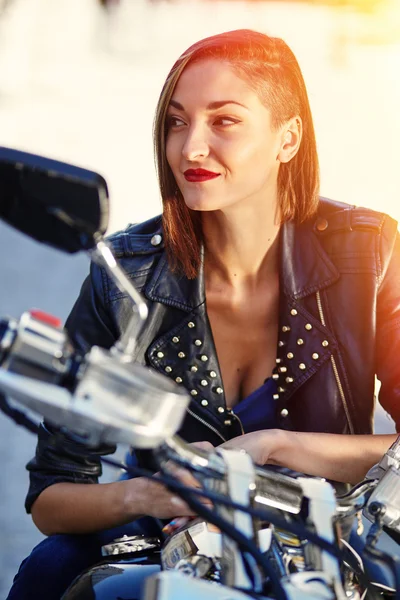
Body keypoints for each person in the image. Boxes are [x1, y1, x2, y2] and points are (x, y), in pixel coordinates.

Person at [7, 28, 399, 600]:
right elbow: (51, 495)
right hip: (173, 536)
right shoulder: (126, 273)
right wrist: (154, 494)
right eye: (176, 121)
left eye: (225, 121)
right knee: (49, 569)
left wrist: (271, 446)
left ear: (287, 138)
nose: (190, 147)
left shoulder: (371, 252)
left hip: (325, 531)